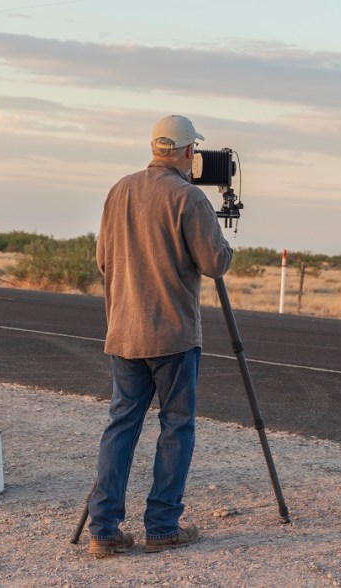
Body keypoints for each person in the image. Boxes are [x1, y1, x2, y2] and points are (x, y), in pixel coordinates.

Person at [87, 115, 234, 557]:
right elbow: (214, 263)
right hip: (172, 336)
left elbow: (102, 260)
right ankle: (163, 526)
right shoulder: (189, 198)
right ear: (188, 152)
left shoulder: (119, 190)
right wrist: (223, 240)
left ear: (155, 148)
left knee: (121, 426)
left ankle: (103, 530)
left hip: (124, 332)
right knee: (176, 427)